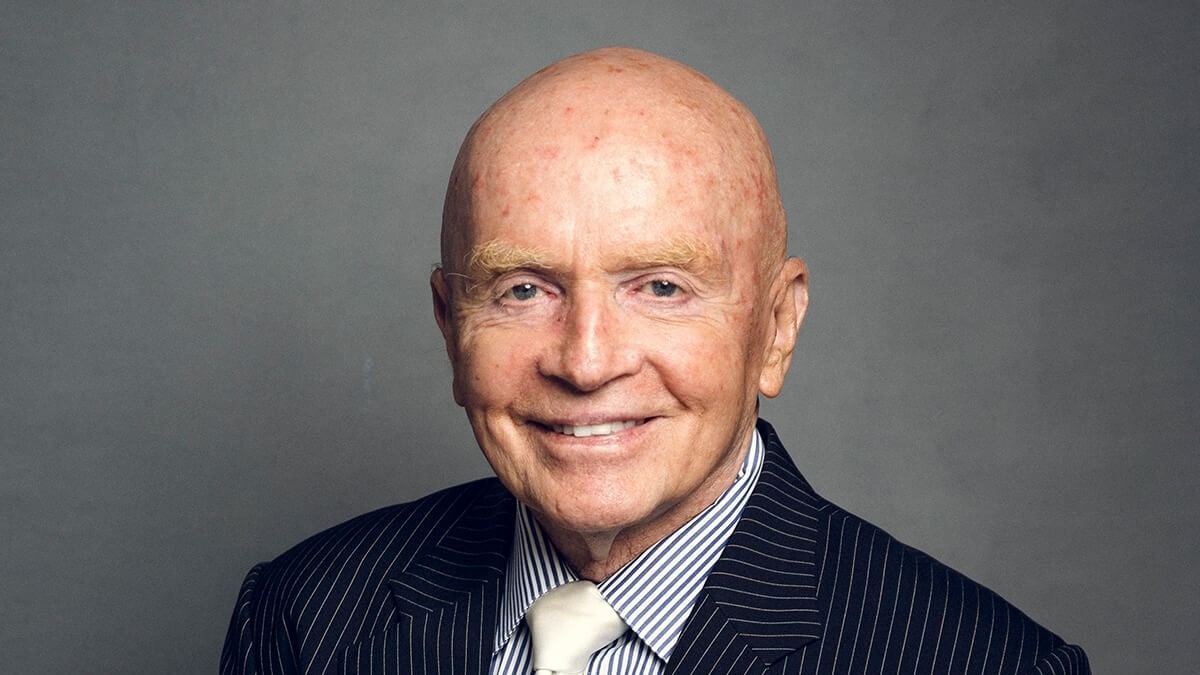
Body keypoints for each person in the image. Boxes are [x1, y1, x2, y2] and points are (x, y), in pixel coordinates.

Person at [221, 47, 1089, 674]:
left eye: (662, 286)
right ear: (452, 327)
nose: (587, 361)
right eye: (523, 289)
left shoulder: (983, 660)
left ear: (776, 327)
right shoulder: (306, 618)